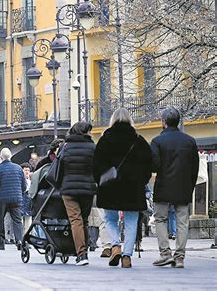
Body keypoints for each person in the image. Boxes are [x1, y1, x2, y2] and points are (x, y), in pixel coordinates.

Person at [93, 108, 152, 268]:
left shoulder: (105, 140)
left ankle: (115, 245)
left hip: (110, 187)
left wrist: (100, 180)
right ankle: (127, 256)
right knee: (131, 222)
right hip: (132, 188)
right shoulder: (138, 141)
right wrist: (140, 181)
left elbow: (96, 164)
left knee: (109, 219)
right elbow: (148, 165)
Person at [151, 107, 199, 269]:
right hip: (183, 187)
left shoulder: (157, 141)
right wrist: (190, 186)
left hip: (164, 186)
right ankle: (179, 257)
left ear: (163, 122)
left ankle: (165, 254)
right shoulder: (190, 141)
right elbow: (195, 168)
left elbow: (155, 165)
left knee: (160, 219)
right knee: (182, 222)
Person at [58, 122, 97, 266]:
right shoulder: (93, 147)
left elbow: (59, 168)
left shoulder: (65, 147)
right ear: (85, 132)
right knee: (84, 220)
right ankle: (84, 251)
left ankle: (81, 254)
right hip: (87, 189)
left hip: (68, 189)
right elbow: (97, 168)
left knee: (75, 220)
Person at [0, 148, 26, 250]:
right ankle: (19, 240)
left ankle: (1, 244)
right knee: (17, 221)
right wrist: (20, 193)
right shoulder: (18, 168)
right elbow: (23, 185)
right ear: (10, 157)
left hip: (2, 199)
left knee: (0, 220)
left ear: (1, 158)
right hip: (16, 198)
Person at [21, 163, 33, 236]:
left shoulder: (31, 181)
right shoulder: (19, 180)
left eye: (28, 170)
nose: (27, 172)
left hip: (29, 203)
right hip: (21, 202)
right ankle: (21, 238)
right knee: (20, 222)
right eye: (25, 170)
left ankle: (27, 237)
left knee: (28, 223)